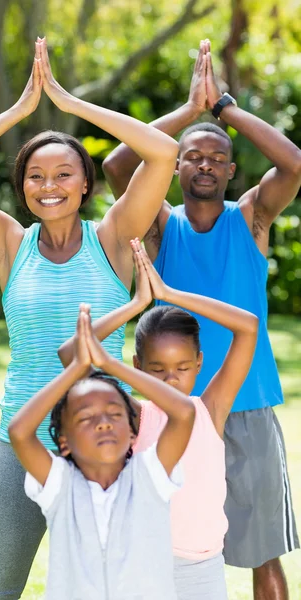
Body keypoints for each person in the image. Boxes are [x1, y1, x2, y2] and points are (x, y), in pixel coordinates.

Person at [0, 38, 179, 599]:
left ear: (86, 183)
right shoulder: (8, 244)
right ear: (22, 189)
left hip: (105, 446)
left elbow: (162, 152)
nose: (49, 187)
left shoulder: (112, 239)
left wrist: (72, 107)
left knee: (108, 590)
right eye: (35, 177)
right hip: (21, 441)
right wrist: (18, 112)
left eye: (64, 174)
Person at [102, 39, 301, 600]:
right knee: (173, 549)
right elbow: (119, 163)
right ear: (175, 166)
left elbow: (294, 164)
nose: (206, 163)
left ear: (232, 169)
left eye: (217, 157)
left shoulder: (252, 218)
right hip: (173, 409)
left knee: (263, 555)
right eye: (193, 156)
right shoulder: (161, 226)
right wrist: (190, 110)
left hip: (248, 406)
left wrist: (223, 111)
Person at [60, 239, 258, 599]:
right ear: (138, 367)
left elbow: (248, 326)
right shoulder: (130, 416)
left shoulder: (210, 410)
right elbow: (69, 355)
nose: (171, 379)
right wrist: (136, 304)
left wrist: (169, 293)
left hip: (204, 569)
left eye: (182, 368)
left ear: (199, 362)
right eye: (158, 369)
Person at [8, 304, 195, 600]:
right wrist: (77, 370)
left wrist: (108, 364)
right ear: (64, 442)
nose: (103, 424)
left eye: (114, 414)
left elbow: (183, 413)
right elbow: (19, 432)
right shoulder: (59, 485)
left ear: (133, 433)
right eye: (85, 418)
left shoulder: (150, 476)